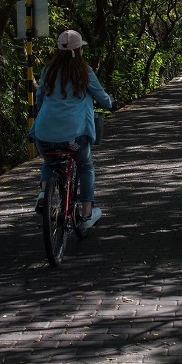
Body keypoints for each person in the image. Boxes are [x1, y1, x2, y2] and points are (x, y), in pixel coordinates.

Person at [31, 29, 113, 235]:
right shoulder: (85, 72)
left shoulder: (47, 71)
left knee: (49, 162)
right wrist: (110, 103)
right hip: (73, 139)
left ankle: (44, 194)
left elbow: (39, 99)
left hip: (44, 136)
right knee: (85, 167)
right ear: (78, 49)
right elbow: (103, 99)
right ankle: (86, 215)